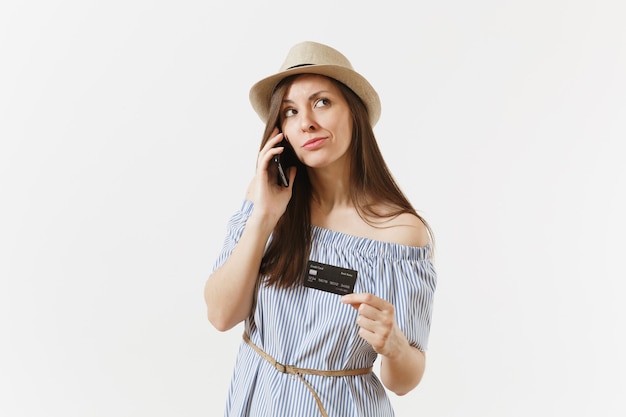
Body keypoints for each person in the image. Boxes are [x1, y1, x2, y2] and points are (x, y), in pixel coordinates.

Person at [204, 40, 437, 417]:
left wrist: (393, 345)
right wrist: (264, 216)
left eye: (322, 102)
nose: (306, 121)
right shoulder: (266, 199)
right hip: (258, 402)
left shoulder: (400, 233)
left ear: (353, 112)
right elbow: (220, 314)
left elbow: (404, 380)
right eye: (290, 111)